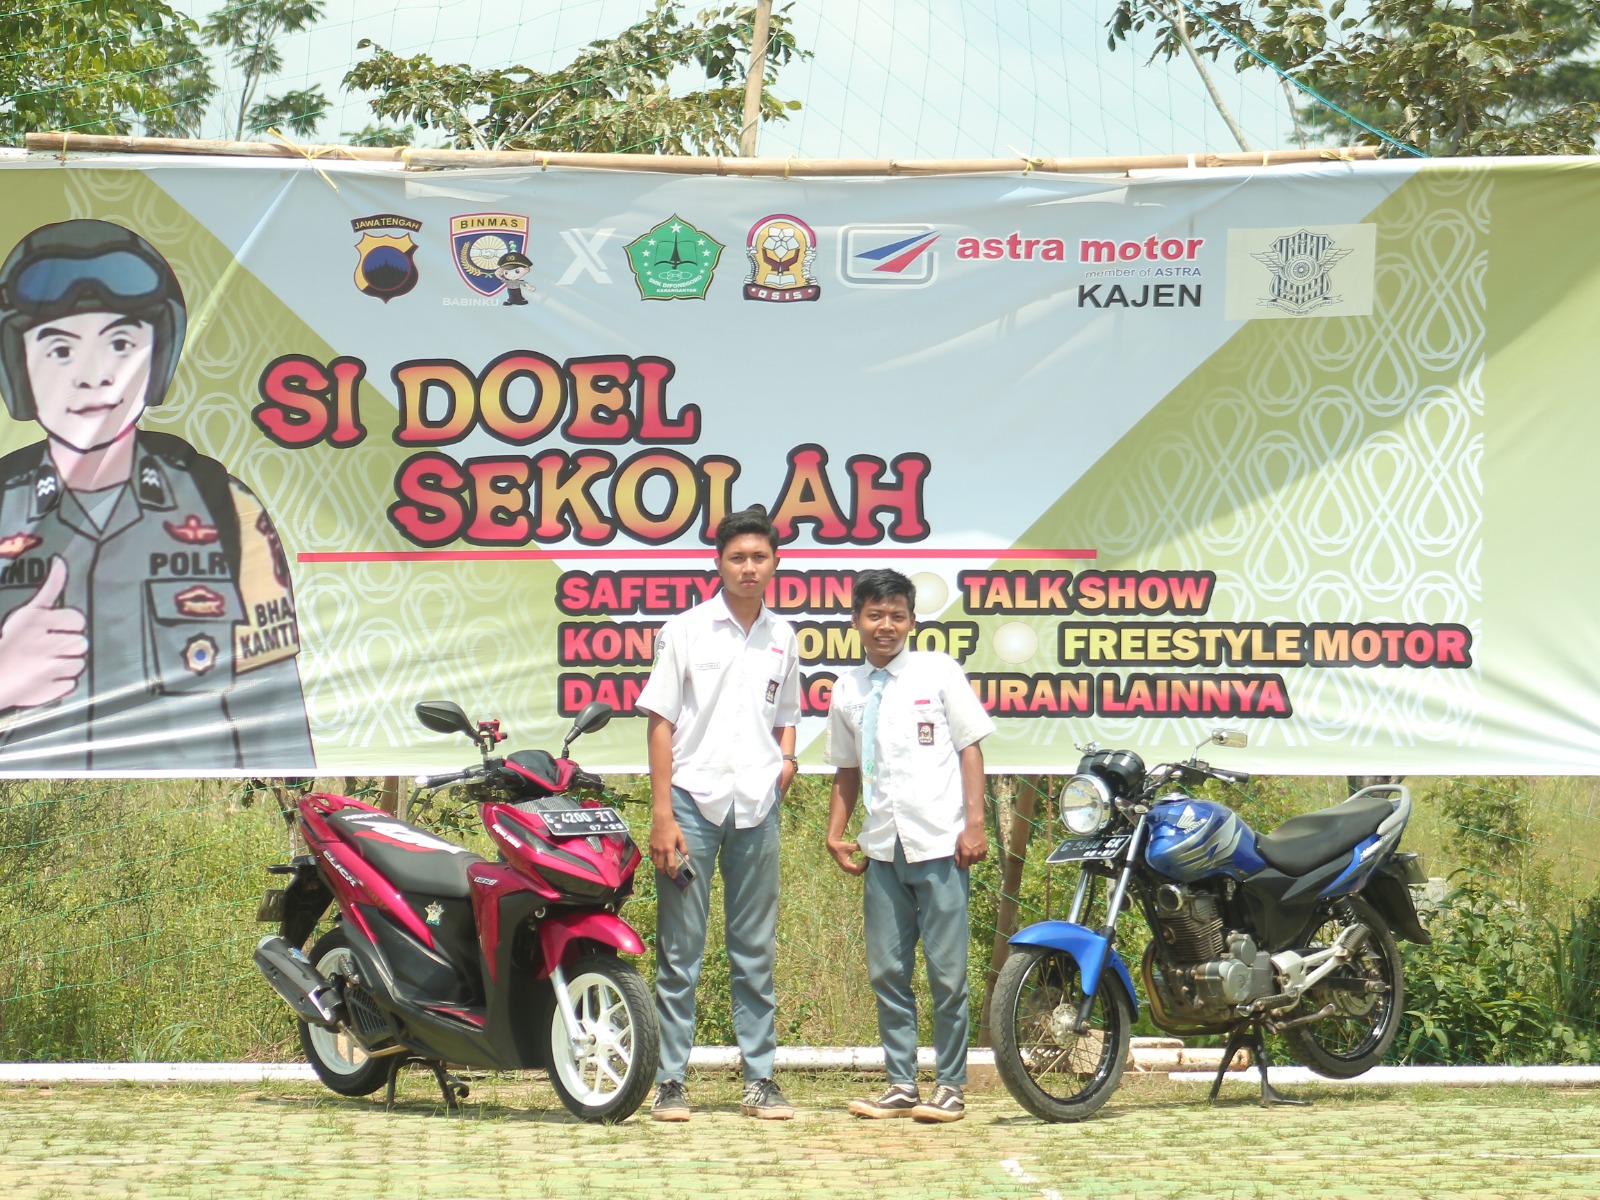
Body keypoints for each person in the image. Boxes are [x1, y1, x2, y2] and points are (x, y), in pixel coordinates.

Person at [0, 218, 314, 771]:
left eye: (121, 343)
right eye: (59, 348)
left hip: (186, 820)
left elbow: (276, 716)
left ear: (158, 359)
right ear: (18, 368)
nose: (95, 376)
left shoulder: (226, 506)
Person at [634, 505, 801, 1122]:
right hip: (691, 806)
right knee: (681, 950)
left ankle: (760, 1079)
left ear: (775, 563)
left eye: (759, 557)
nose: (749, 567)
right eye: (737, 557)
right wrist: (661, 814)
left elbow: (787, 715)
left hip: (757, 807)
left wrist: (785, 763)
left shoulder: (784, 637)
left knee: (754, 949)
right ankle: (671, 1081)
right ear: (718, 563)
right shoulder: (684, 630)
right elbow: (660, 723)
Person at [825, 568, 994, 1123]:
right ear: (856, 620)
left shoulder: (938, 671)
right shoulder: (848, 689)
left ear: (912, 621)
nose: (885, 626)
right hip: (881, 848)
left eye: (897, 615)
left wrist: (975, 825)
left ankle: (950, 1086)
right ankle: (900, 1084)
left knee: (948, 973)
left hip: (941, 843)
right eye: (874, 615)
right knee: (887, 972)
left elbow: (971, 749)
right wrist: (835, 830)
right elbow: (846, 769)